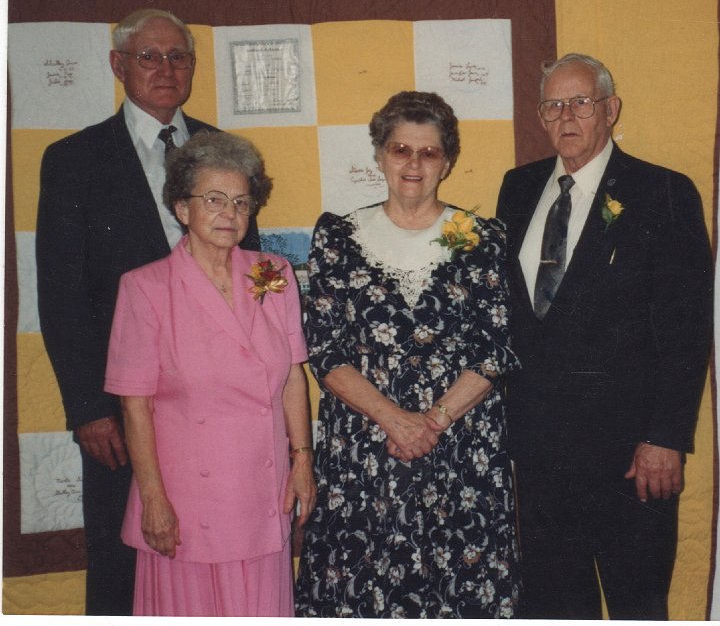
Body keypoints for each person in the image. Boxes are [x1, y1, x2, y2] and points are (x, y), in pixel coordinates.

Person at [35, 8, 259, 615]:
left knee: (216, 551)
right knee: (123, 556)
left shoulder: (226, 152)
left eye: (178, 57)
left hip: (220, 405)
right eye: (149, 56)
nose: (166, 69)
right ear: (118, 66)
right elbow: (60, 297)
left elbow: (253, 277)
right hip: (121, 403)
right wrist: (87, 409)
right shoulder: (73, 160)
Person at [496, 53, 713, 619]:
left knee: (637, 606)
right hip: (539, 456)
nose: (566, 115)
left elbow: (687, 329)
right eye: (553, 104)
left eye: (581, 102)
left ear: (611, 110)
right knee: (552, 607)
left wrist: (666, 437)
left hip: (631, 459)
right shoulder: (517, 189)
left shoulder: (663, 192)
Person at [295, 91, 521, 618]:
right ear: (379, 155)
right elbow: (325, 349)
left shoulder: (479, 237)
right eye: (400, 149)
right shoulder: (339, 235)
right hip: (365, 450)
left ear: (448, 162)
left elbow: (496, 346)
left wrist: (433, 422)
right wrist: (396, 421)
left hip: (461, 450)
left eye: (429, 152)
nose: (413, 164)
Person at [104, 130, 315, 616]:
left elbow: (292, 378)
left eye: (242, 202)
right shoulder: (146, 288)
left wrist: (302, 458)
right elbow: (134, 406)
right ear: (182, 208)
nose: (230, 214)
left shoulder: (274, 273)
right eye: (214, 200)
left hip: (263, 491)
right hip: (186, 501)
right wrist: (153, 499)